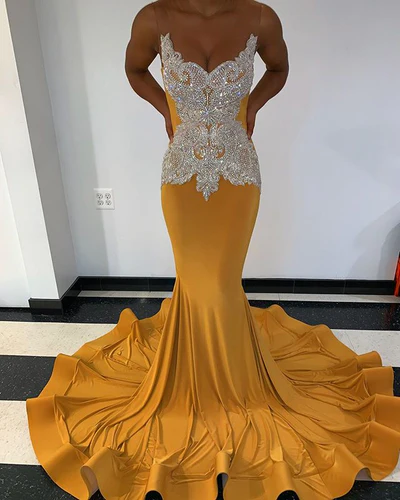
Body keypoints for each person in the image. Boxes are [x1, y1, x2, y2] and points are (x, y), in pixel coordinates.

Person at [26, 1, 400, 499]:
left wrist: (252, 107)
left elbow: (279, 69)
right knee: (196, 280)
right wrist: (167, 110)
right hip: (181, 175)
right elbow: (134, 70)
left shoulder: (260, 17)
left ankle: (236, 385)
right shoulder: (154, 18)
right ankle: (195, 382)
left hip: (238, 175)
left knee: (222, 282)